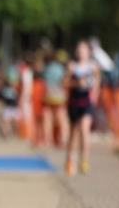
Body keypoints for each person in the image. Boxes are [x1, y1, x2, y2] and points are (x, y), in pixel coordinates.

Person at [65, 40, 101, 175]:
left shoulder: (93, 67)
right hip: (74, 102)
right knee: (73, 134)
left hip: (86, 102)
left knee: (84, 130)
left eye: (83, 50)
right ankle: (70, 159)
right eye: (79, 50)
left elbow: (97, 82)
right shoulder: (71, 66)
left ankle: (84, 159)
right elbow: (65, 82)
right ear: (76, 52)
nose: (81, 52)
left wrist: (95, 96)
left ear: (88, 52)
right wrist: (76, 83)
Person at [42, 50, 69, 148]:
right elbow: (64, 82)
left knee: (48, 118)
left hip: (48, 95)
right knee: (61, 118)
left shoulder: (47, 68)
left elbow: (45, 83)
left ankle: (47, 140)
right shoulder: (61, 69)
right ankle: (63, 139)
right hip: (59, 95)